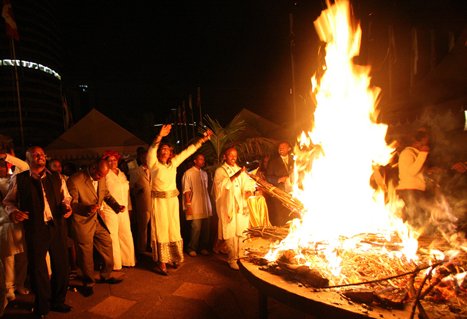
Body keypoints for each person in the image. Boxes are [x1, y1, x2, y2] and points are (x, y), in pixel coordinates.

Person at [3, 146, 73, 317]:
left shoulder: (57, 177)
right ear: (28, 159)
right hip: (35, 228)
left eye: (42, 154)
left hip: (57, 226)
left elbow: (66, 197)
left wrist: (67, 206)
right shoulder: (19, 179)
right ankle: (42, 305)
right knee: (38, 268)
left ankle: (58, 300)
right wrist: (14, 212)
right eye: (35, 155)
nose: (40, 157)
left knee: (61, 265)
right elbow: (8, 202)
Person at [147, 124, 212, 275]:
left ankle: (174, 257)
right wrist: (159, 136)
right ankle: (162, 262)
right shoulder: (153, 164)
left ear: (170, 153)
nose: (164, 151)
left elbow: (188, 152)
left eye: (167, 149)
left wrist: (203, 139)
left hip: (172, 201)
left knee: (174, 228)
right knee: (161, 230)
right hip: (159, 202)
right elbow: (151, 151)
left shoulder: (173, 163)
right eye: (162, 149)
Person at [66, 159, 125, 297]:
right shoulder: (75, 180)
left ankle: (105, 275)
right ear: (92, 168)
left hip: (96, 219)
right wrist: (86, 208)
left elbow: (106, 194)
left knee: (107, 243)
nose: (101, 178)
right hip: (82, 221)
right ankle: (88, 282)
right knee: (85, 254)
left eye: (103, 176)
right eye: (99, 175)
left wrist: (117, 206)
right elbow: (71, 204)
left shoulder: (102, 177)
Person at [213, 147, 256, 270]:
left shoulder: (239, 170)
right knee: (230, 231)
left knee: (241, 231)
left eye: (235, 155)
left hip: (241, 204)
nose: (233, 157)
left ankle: (240, 256)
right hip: (228, 206)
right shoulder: (220, 171)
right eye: (230, 155)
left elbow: (247, 185)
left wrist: (248, 191)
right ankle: (231, 258)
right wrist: (235, 175)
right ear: (225, 156)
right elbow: (220, 187)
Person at [0, 152, 29, 304]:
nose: (1, 169)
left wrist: (6, 156)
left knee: (23, 258)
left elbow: (24, 166)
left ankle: (20, 284)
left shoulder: (14, 178)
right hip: (4, 225)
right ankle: (8, 289)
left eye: (3, 166)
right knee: (8, 259)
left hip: (20, 223)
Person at [101, 150, 135, 270]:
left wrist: (129, 208)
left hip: (124, 209)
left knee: (126, 234)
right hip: (110, 210)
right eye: (109, 160)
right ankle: (116, 264)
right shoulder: (104, 175)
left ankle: (128, 260)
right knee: (113, 237)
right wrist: (101, 210)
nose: (112, 162)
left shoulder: (122, 174)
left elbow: (127, 194)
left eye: (114, 160)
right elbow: (101, 193)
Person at [396, 129, 431, 229]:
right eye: (425, 141)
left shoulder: (415, 153)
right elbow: (412, 171)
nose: (427, 144)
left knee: (417, 220)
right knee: (412, 221)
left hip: (415, 191)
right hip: (409, 191)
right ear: (417, 142)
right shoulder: (407, 153)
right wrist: (423, 154)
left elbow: (418, 171)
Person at [182, 153, 213, 257]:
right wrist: (188, 205)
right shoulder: (188, 173)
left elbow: (206, 188)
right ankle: (191, 247)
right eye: (200, 159)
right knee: (196, 227)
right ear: (195, 161)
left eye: (203, 159)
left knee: (206, 227)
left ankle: (203, 247)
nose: (202, 161)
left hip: (205, 203)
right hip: (195, 203)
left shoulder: (204, 173)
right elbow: (186, 190)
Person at [129, 147, 152, 257]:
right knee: (143, 228)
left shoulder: (154, 169)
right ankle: (141, 249)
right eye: (144, 157)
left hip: (155, 203)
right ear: (140, 158)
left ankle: (152, 246)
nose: (146, 159)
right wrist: (137, 190)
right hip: (143, 203)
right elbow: (131, 189)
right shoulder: (135, 171)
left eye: (148, 156)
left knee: (154, 227)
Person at [266, 141, 294, 226]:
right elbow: (268, 177)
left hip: (292, 193)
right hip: (279, 193)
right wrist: (279, 179)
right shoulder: (273, 162)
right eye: (279, 147)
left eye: (283, 147)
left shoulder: (295, 160)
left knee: (292, 213)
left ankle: (292, 231)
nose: (280, 149)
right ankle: (281, 232)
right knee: (280, 215)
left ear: (289, 149)